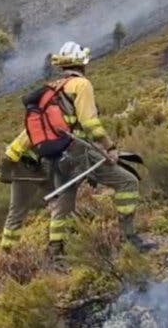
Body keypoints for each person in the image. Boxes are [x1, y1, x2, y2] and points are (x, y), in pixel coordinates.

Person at [44, 41, 150, 257]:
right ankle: (129, 238)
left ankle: (56, 255)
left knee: (63, 204)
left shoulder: (53, 88)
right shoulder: (81, 85)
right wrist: (109, 147)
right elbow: (90, 123)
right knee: (127, 181)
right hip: (79, 151)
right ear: (83, 63)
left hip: (57, 155)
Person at [0, 130, 49, 251]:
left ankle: (62, 238)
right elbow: (16, 148)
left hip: (41, 165)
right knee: (18, 209)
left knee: (59, 198)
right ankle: (8, 249)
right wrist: (6, 167)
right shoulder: (39, 122)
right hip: (23, 164)